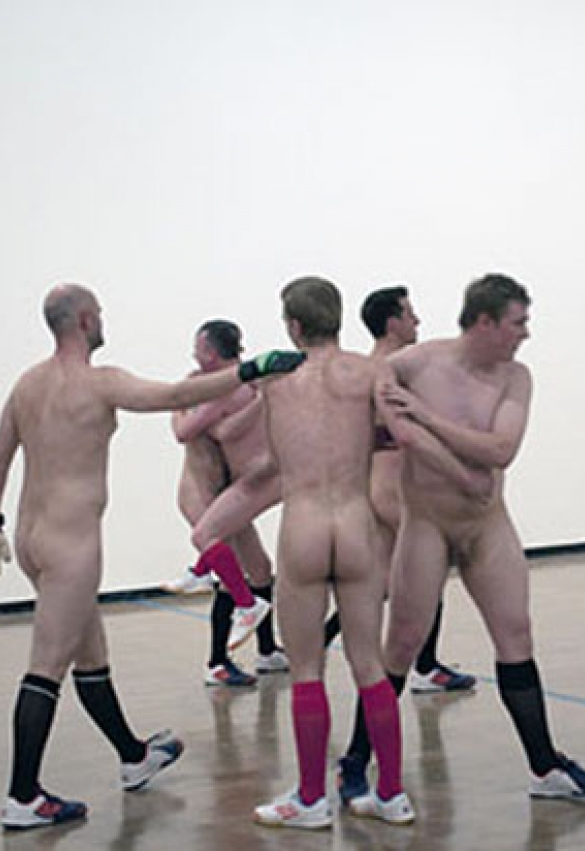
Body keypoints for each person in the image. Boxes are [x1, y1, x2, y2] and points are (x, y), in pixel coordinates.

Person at [0, 284, 303, 831]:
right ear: (83, 321)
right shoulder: (101, 381)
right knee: (48, 665)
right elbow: (174, 396)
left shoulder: (27, 383)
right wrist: (251, 370)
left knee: (91, 655)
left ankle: (133, 755)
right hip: (71, 546)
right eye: (99, 314)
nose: (103, 321)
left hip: (31, 539)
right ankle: (22, 796)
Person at [338, 274, 585, 804]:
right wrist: (420, 433)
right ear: (485, 322)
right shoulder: (416, 364)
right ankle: (354, 759)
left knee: (516, 637)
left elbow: (501, 449)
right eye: (518, 323)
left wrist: (426, 416)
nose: (525, 333)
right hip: (426, 524)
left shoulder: (516, 377)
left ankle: (545, 767)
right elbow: (387, 408)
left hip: (487, 525)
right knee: (401, 645)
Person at [252, 277, 417, 829]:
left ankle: (309, 799)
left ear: (294, 326)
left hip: (302, 525)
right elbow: (397, 434)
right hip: (355, 524)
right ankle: (390, 793)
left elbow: (273, 454)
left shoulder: (274, 381)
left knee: (306, 669)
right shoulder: (370, 372)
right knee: (369, 664)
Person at [323, 286, 475, 692]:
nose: (417, 321)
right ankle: (425, 667)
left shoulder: (368, 369)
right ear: (392, 323)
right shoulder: (388, 372)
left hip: (379, 487)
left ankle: (324, 636)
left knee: (386, 580)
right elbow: (404, 433)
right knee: (428, 571)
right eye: (410, 314)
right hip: (393, 491)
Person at [167, 320, 288, 687]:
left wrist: (180, 399)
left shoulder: (234, 386)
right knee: (227, 568)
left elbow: (209, 428)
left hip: (226, 488)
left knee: (260, 568)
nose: (193, 354)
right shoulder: (214, 386)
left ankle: (266, 650)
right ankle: (217, 662)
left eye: (198, 347)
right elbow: (189, 432)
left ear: (212, 352)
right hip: (200, 489)